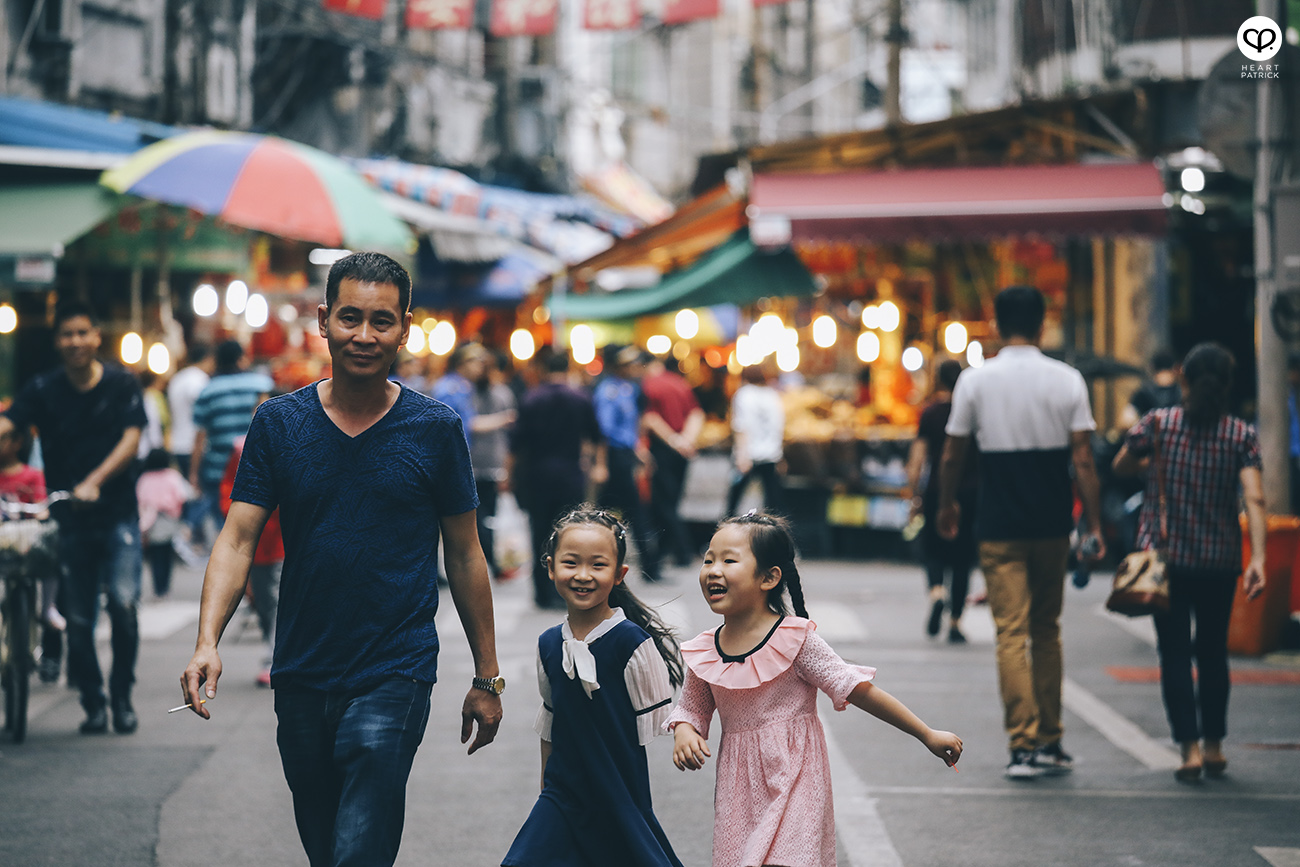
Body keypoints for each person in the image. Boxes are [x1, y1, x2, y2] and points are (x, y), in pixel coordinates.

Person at [180, 252, 503, 867]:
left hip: (395, 665)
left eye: (381, 321)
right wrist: (207, 640)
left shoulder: (435, 428)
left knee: (359, 848)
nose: (364, 335)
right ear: (324, 320)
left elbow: (464, 553)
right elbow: (238, 537)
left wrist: (487, 676)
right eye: (350, 318)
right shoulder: (279, 422)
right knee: (325, 843)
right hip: (301, 666)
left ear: (405, 328)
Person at [668, 512, 962, 867]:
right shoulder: (706, 650)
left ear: (769, 577)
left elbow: (858, 689)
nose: (713, 569)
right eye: (708, 559)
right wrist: (684, 732)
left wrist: (926, 734)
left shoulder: (796, 639)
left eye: (729, 560)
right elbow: (692, 709)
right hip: (738, 793)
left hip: (797, 782)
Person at [936, 285, 1105, 779]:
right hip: (1053, 522)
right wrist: (1093, 523)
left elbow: (952, 453)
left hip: (1000, 522)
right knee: (1046, 631)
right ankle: (1052, 740)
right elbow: (1083, 458)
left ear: (994, 322)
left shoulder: (975, 381)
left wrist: (945, 504)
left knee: (1010, 631)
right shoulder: (1068, 379)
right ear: (1043, 322)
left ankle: (1024, 744)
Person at [1112, 342, 1266, 782]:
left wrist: (1144, 464)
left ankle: (1190, 751)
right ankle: (1216, 745)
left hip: (1169, 564)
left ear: (1183, 380)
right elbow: (1254, 497)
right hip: (1219, 562)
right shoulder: (1241, 435)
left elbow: (1122, 464)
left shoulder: (1158, 426)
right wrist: (1257, 556)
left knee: (1175, 655)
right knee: (1213, 653)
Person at [502, 506, 684, 867]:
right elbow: (550, 724)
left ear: (620, 574)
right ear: (550, 567)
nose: (583, 575)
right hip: (561, 795)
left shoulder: (632, 643)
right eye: (571, 563)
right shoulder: (548, 644)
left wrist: (685, 733)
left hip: (617, 791)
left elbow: (665, 716)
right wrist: (546, 793)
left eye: (598, 565)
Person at [6, 300, 147, 735]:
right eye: (67, 335)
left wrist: (96, 481)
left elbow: (132, 437)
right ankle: (93, 702)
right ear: (57, 342)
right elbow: (9, 422)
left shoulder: (122, 384)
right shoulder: (42, 389)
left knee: (123, 606)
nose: (75, 342)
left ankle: (121, 695)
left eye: (82, 333)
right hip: (68, 521)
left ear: (96, 336)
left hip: (119, 515)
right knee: (79, 621)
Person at [509, 349, 607, 609]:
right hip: (570, 475)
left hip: (537, 475)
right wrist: (599, 466)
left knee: (539, 531)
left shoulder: (531, 399)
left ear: (544, 369)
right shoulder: (580, 398)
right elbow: (596, 437)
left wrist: (509, 477)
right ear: (568, 368)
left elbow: (516, 445)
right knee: (566, 534)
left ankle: (542, 592)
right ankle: (564, 590)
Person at [905, 359, 976, 642]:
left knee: (932, 548)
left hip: (936, 489)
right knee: (962, 558)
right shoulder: (971, 413)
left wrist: (914, 494)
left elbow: (917, 459)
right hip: (970, 492)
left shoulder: (930, 413)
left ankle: (937, 592)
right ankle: (956, 622)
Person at [0, 415, 63, 682]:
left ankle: (47, 606)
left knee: (48, 549)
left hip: (25, 538)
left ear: (16, 442)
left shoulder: (31, 474)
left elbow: (40, 504)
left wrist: (40, 514)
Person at [189, 340, 272, 541]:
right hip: (254, 467)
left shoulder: (208, 391)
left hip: (218, 469)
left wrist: (193, 473)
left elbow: (200, 438)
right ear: (240, 359)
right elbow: (270, 428)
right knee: (254, 527)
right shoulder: (260, 385)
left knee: (225, 527)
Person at [219, 434, 283, 687]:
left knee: (279, 596)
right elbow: (228, 491)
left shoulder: (298, 443)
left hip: (284, 538)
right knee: (262, 599)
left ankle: (273, 657)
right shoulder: (241, 451)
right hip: (254, 539)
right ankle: (275, 647)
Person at [593, 346, 661, 583]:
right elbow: (604, 430)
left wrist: (639, 450)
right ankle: (650, 568)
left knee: (612, 511)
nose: (635, 368)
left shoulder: (628, 388)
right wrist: (602, 463)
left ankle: (648, 567)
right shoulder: (608, 391)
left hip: (625, 454)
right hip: (615, 456)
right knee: (631, 510)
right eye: (630, 364)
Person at [641, 356, 703, 566]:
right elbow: (696, 413)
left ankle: (683, 552)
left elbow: (651, 419)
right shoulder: (680, 383)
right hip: (682, 451)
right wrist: (686, 440)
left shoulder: (648, 385)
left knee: (664, 504)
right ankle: (665, 551)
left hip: (663, 450)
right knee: (673, 500)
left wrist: (673, 441)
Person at [471, 350, 518, 580]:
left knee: (489, 519)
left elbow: (511, 435)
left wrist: (508, 467)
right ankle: (492, 563)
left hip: (493, 465)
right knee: (477, 519)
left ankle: (495, 563)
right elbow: (469, 423)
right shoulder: (463, 392)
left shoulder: (502, 393)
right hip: (470, 465)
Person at [168, 343, 213, 544]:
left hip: (177, 444)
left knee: (191, 494)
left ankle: (195, 539)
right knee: (203, 495)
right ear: (207, 358)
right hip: (194, 446)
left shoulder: (177, 378)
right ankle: (186, 533)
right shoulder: (199, 381)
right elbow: (201, 422)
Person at [725, 363, 785, 517]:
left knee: (733, 502)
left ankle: (724, 533)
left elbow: (741, 427)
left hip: (749, 455)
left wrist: (741, 456)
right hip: (770, 455)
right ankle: (773, 537)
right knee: (772, 505)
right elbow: (778, 427)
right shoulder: (772, 395)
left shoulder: (743, 394)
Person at [136, 448, 191, 599]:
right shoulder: (172, 476)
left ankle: (158, 588)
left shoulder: (144, 478)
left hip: (150, 520)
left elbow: (140, 499)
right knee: (167, 554)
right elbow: (183, 495)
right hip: (169, 518)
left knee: (155, 556)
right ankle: (165, 587)